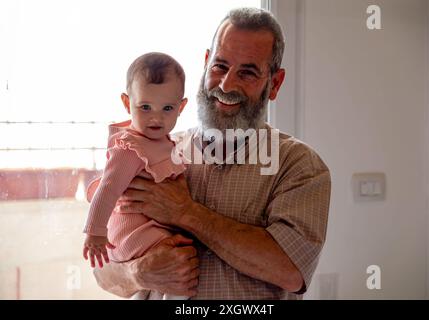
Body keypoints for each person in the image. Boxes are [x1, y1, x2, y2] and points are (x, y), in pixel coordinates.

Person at [93, 7, 331, 300]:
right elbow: (102, 270)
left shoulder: (299, 165)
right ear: (206, 64)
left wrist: (186, 212)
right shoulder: (149, 152)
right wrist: (138, 272)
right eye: (220, 66)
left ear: (275, 83)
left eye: (247, 72)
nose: (226, 85)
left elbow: (291, 270)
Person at [82, 52, 189, 300]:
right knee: (176, 259)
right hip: (130, 234)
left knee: (174, 262)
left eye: (168, 108)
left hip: (149, 229)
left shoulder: (165, 142)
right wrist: (95, 232)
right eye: (145, 107)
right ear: (126, 102)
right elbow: (107, 190)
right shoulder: (131, 148)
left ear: (181, 107)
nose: (156, 117)